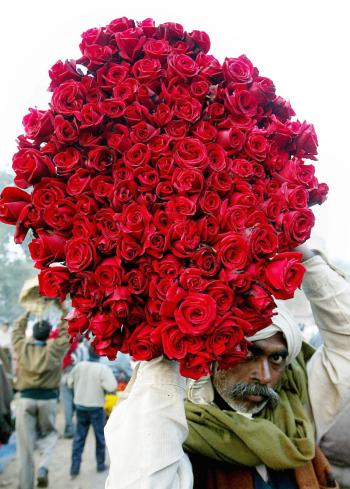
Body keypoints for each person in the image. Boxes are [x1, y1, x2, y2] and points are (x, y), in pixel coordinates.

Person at [104, 246, 350, 489]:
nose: (264, 377)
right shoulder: (173, 430)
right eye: (247, 354)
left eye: (276, 360)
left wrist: (305, 259)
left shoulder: (298, 416)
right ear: (213, 356)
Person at [12, 312, 69, 489]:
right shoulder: (54, 349)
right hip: (48, 400)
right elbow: (66, 333)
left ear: (34, 334)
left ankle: (25, 485)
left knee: (25, 446)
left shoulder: (22, 348)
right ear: (49, 333)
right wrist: (63, 310)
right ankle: (43, 466)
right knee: (50, 435)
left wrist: (26, 313)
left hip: (26, 399)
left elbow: (16, 332)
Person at [68, 343, 117, 479]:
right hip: (96, 407)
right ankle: (100, 464)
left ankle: (74, 469)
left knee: (79, 439)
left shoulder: (79, 366)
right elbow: (112, 386)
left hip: (80, 407)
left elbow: (69, 383)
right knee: (100, 437)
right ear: (101, 354)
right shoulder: (102, 368)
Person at [61, 336, 89, 438]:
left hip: (65, 376)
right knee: (78, 402)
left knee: (67, 403)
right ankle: (80, 429)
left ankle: (68, 428)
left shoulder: (64, 348)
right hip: (79, 377)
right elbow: (85, 363)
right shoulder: (82, 349)